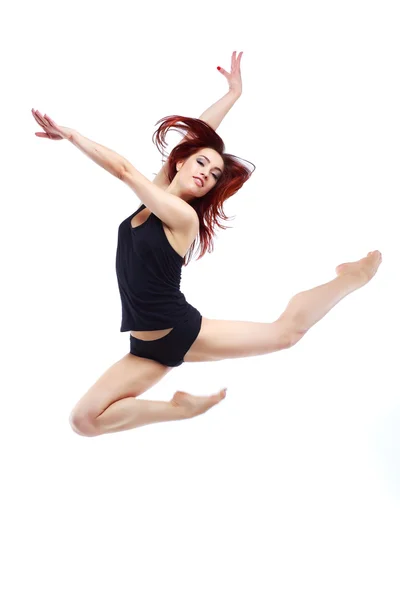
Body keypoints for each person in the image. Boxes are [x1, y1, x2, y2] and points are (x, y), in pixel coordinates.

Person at [31, 51, 382, 438]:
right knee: (84, 421)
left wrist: (73, 136)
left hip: (178, 329)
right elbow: (198, 137)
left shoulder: (182, 217)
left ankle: (352, 277)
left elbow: (125, 170)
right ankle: (180, 410)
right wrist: (233, 95)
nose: (207, 173)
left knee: (285, 334)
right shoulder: (158, 195)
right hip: (145, 348)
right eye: (200, 164)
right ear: (179, 163)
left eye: (215, 174)